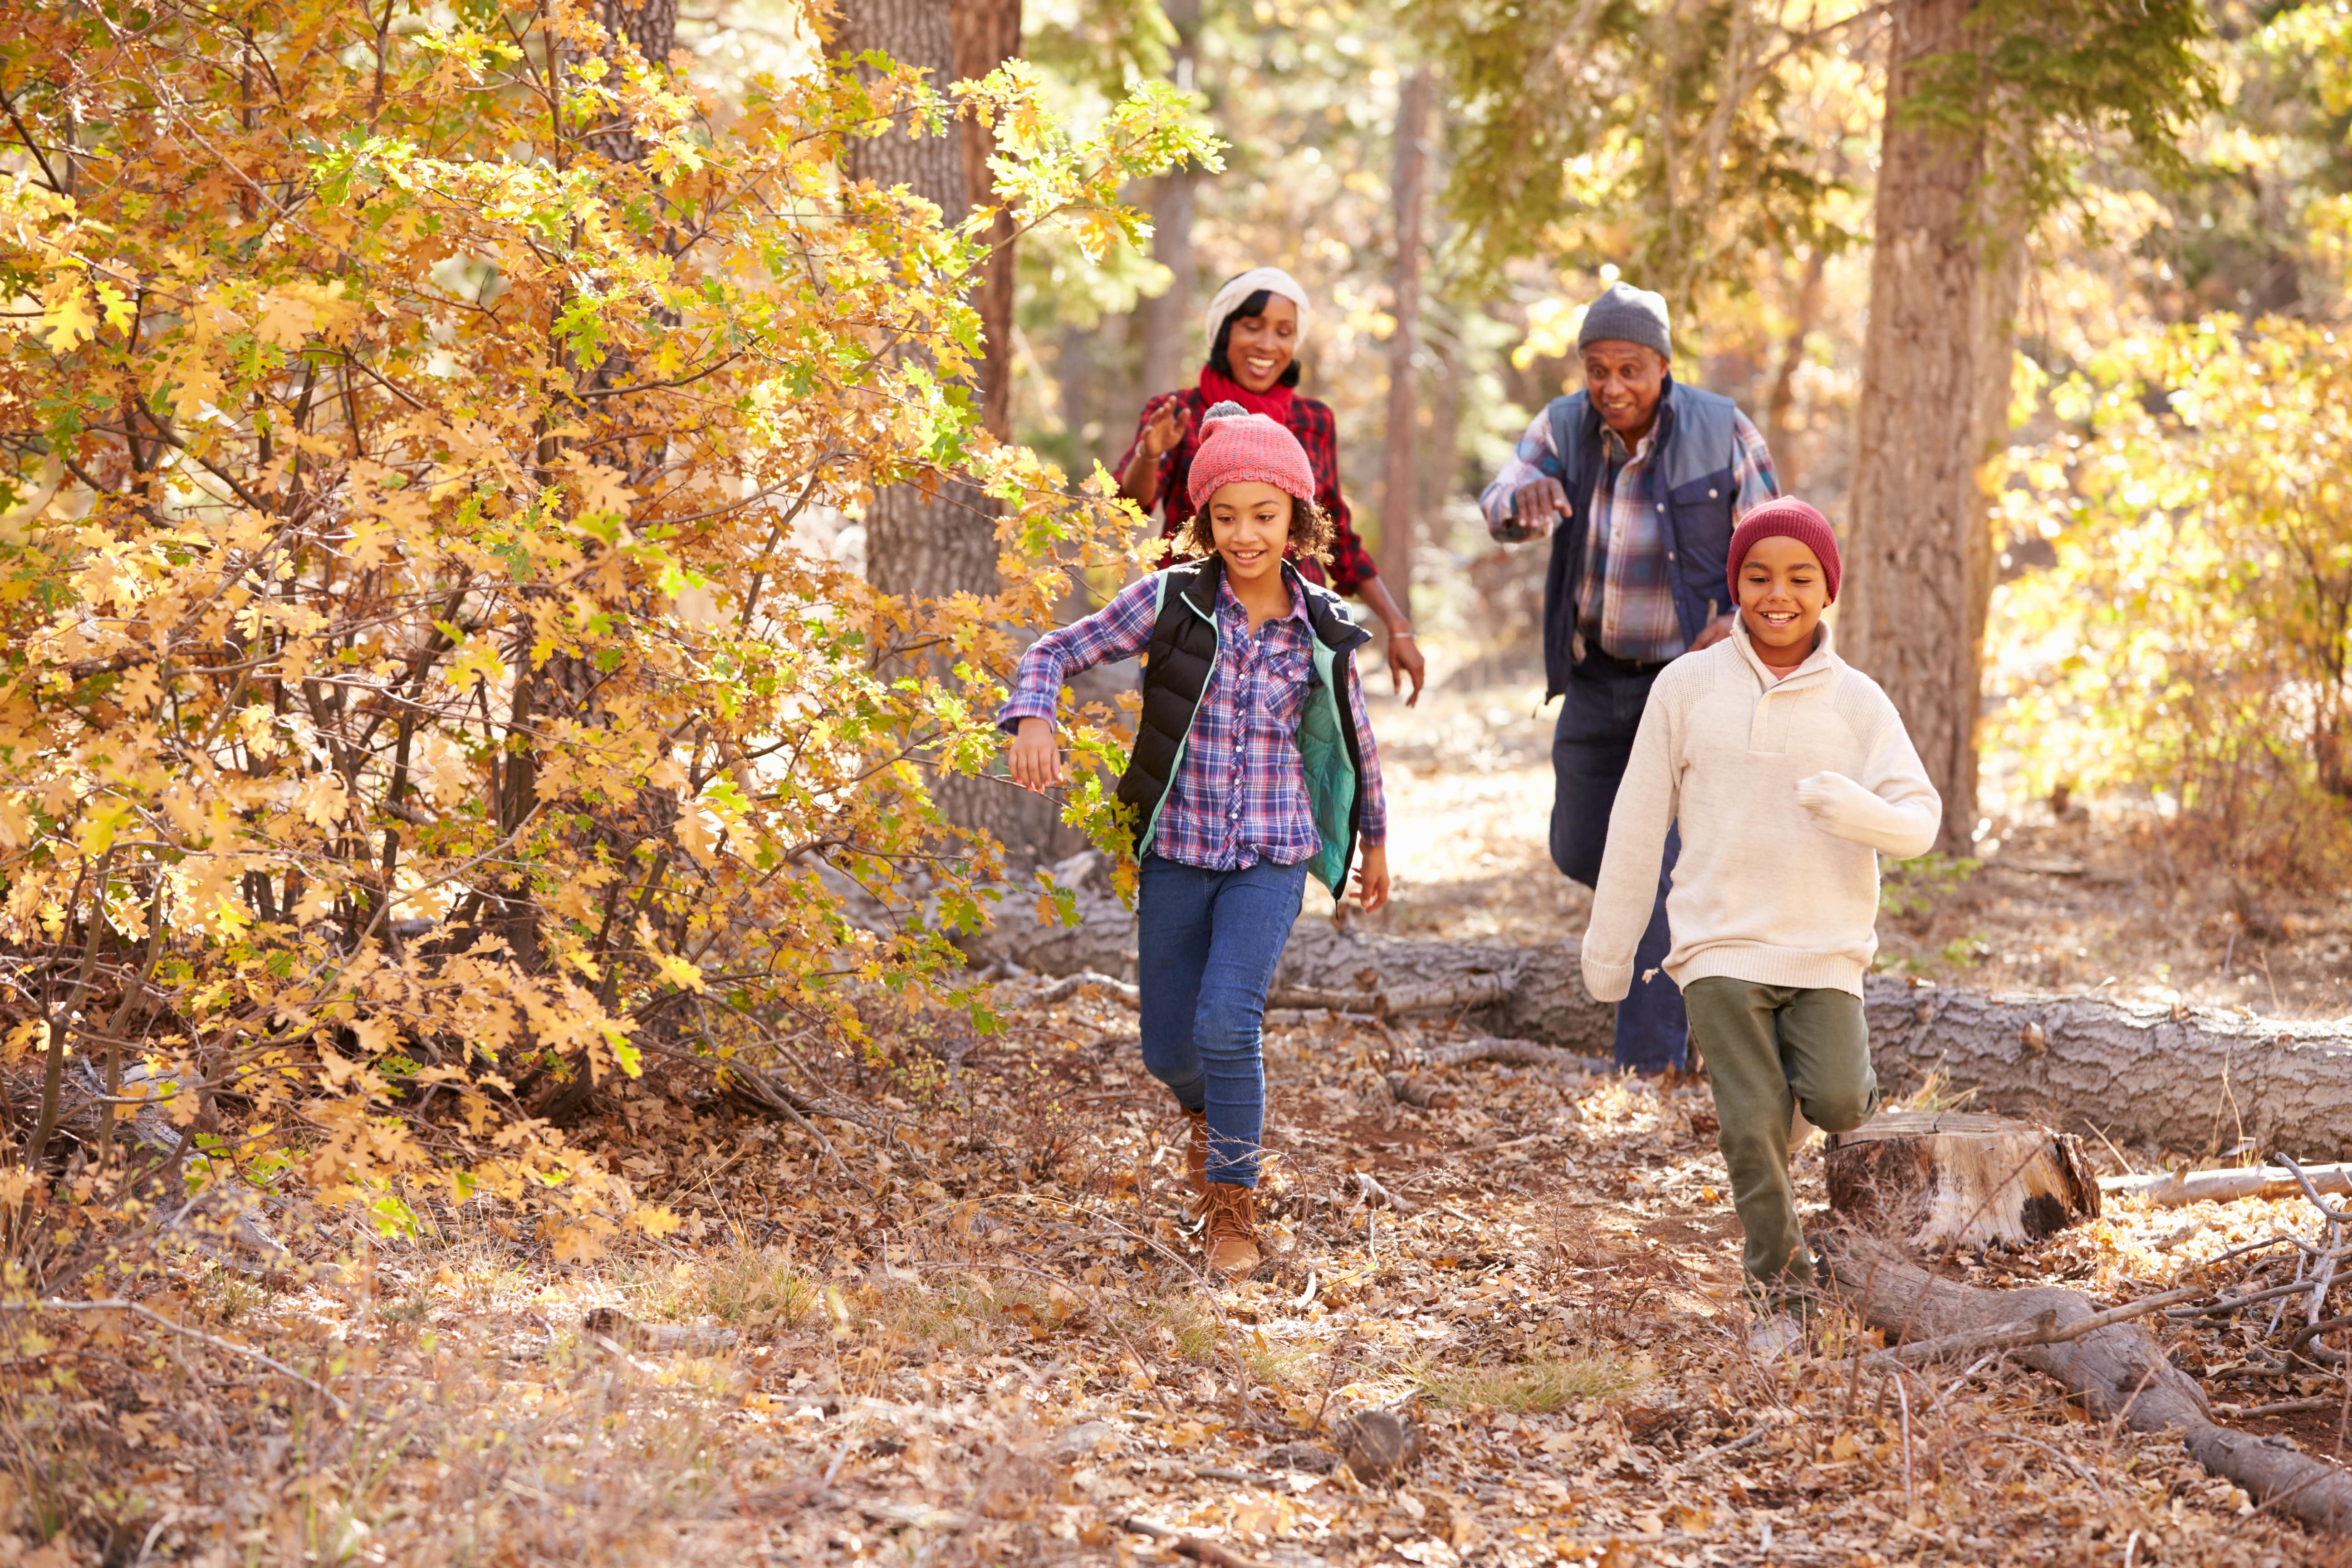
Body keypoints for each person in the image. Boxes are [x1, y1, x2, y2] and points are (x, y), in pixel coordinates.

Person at [1006, 403, 1393, 1277]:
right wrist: (1033, 715)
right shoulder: (1170, 598)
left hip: (1270, 854)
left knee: (1228, 1021)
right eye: (1225, 516)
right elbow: (1052, 650)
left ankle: (1232, 1211)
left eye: (1264, 516)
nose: (1244, 535)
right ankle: (1216, 1116)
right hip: (1176, 851)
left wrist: (1372, 841)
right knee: (1167, 1048)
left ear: (1297, 518)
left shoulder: (1323, 626)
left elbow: (1356, 738)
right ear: (1202, 518)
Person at [1578, 499, 1939, 1353]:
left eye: (1798, 577)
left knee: (1841, 1099)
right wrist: (1610, 947)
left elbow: (1917, 819)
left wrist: (1858, 810)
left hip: (1824, 946)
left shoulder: (1857, 703)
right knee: (1747, 1128)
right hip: (1717, 942)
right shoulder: (1686, 685)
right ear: (1734, 584)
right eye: (1757, 576)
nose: (1776, 593)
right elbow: (1636, 818)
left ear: (1827, 591)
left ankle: (1779, 1170)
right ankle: (1781, 1295)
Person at [1478, 281, 1779, 1073]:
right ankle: (1701, 945)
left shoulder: (1721, 430)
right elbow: (1497, 497)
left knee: (1656, 860)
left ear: (1663, 366)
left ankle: (1649, 1063)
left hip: (1687, 688)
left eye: (1629, 370)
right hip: (1594, 677)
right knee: (1580, 846)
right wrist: (1522, 500)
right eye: (1596, 370)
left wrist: (1737, 622)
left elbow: (1774, 543)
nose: (1611, 388)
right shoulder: (1564, 426)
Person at [1120, 266, 1426, 706]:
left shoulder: (1314, 420)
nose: (1268, 344)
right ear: (1224, 332)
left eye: (1284, 331)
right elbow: (1129, 504)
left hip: (1300, 637)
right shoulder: (1178, 412)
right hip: (1196, 631)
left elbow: (1336, 535)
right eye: (1253, 326)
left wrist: (1398, 625)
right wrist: (1150, 454)